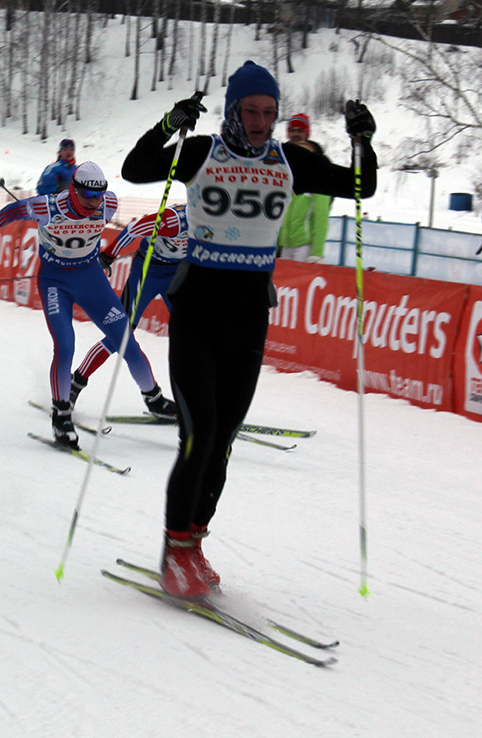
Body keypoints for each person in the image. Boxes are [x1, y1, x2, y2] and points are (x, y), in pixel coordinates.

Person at [120, 60, 377, 599]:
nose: (259, 122)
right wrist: (169, 124)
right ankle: (173, 553)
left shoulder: (288, 161)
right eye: (250, 111)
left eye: (268, 112)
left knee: (223, 444)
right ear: (234, 110)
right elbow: (135, 168)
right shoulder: (202, 152)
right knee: (198, 437)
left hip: (249, 318)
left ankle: (193, 541)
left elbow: (361, 186)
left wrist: (362, 140)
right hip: (197, 313)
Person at [0, 161, 177, 449]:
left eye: (98, 194)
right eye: (87, 194)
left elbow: (127, 226)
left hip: (90, 278)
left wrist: (107, 256)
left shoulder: (109, 204)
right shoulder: (48, 207)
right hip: (56, 282)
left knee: (126, 340)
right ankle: (61, 416)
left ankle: (154, 399)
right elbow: (14, 210)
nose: (94, 201)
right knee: (65, 345)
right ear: (72, 189)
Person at [69, 203, 190, 408]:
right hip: (147, 273)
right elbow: (134, 228)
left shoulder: (218, 222)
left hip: (177, 274)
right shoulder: (174, 220)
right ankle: (76, 383)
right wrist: (108, 256)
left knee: (192, 335)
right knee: (121, 335)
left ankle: (196, 400)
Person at [276, 113, 332, 262]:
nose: (295, 134)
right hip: (284, 245)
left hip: (305, 246)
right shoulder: (281, 163)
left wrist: (317, 251)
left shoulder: (317, 164)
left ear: (307, 133)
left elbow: (321, 214)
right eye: (292, 130)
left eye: (300, 130)